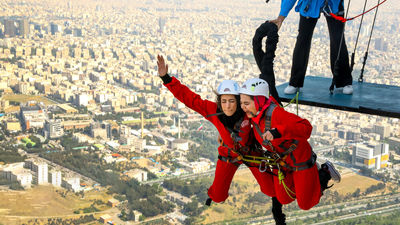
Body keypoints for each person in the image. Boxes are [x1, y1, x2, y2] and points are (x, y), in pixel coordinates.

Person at [156, 55, 276, 207]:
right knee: (218, 196)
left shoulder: (247, 110)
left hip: (251, 151)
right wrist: (166, 78)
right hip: (229, 154)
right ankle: (214, 193)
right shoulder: (213, 111)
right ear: (219, 102)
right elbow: (190, 99)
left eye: (232, 101)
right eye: (224, 101)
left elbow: (264, 106)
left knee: (271, 190)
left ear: (238, 101)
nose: (227, 106)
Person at [239, 77, 341, 222]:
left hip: (299, 158)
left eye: (246, 103)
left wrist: (278, 131)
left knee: (306, 203)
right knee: (284, 198)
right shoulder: (253, 116)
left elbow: (306, 127)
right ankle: (308, 178)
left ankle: (323, 173)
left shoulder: (276, 114)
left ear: (259, 101)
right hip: (281, 161)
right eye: (242, 103)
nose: (243, 107)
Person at [271, 0, 353, 95]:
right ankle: (295, 82)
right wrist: (281, 16)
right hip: (310, 3)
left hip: (334, 3)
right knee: (302, 40)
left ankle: (344, 82)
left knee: (338, 40)